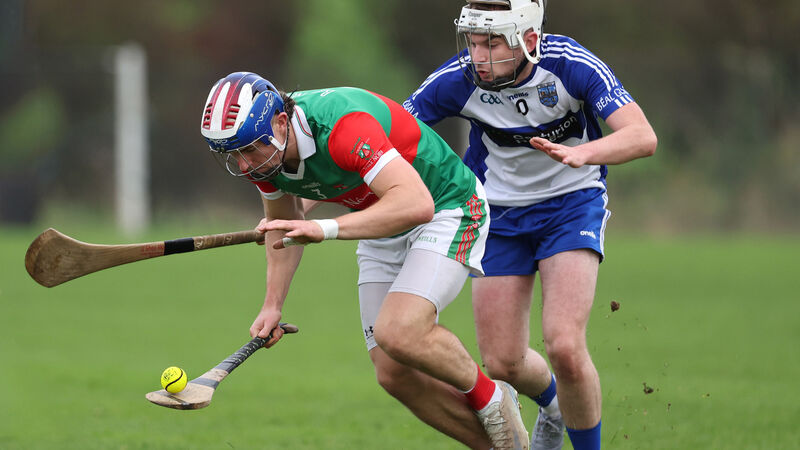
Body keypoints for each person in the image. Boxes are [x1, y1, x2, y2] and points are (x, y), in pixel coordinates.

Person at [200, 71, 531, 449]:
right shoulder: (266, 156)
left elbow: (416, 204)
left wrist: (325, 228)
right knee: (393, 374)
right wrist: (272, 305)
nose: (244, 166)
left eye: (248, 150)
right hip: (381, 223)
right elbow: (283, 227)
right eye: (233, 154)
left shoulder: (342, 125)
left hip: (446, 207)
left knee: (399, 331)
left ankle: (491, 398)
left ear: (280, 122)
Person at [403, 1, 658, 449]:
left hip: (571, 205)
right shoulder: (459, 78)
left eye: (492, 42)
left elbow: (642, 137)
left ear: (530, 40)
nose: (478, 56)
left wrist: (584, 154)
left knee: (563, 346)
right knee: (501, 363)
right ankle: (554, 407)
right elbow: (387, 131)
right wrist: (315, 192)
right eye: (473, 41)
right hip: (497, 213)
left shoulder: (570, 64)